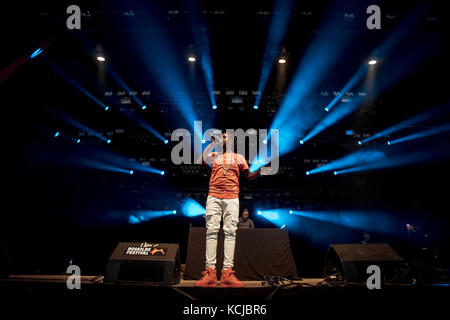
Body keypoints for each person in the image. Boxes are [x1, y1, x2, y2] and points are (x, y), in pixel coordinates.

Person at [194, 132, 261, 288]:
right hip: (214, 197)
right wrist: (211, 144)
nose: (222, 138)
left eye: (224, 137)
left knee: (230, 232)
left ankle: (227, 274)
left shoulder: (239, 157)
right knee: (211, 231)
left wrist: (259, 173)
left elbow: (248, 175)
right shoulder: (214, 154)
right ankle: (210, 273)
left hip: (232, 197)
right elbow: (201, 160)